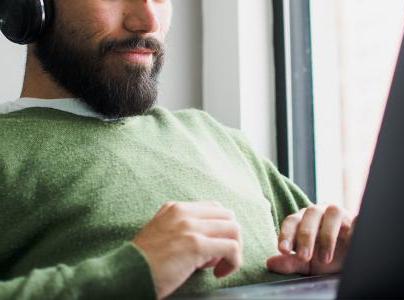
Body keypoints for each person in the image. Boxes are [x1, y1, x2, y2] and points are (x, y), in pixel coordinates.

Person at [0, 0, 355, 299]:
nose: (148, 20)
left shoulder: (217, 138)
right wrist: (133, 271)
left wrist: (346, 258)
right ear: (29, 7)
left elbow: (324, 248)